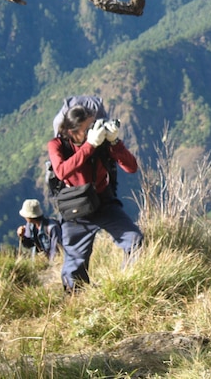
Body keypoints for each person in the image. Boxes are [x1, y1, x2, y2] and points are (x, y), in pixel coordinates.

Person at [48, 104, 143, 293]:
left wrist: (115, 142)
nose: (92, 131)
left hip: (103, 202)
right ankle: (76, 299)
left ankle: (127, 284)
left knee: (135, 240)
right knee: (75, 261)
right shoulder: (57, 145)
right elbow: (61, 171)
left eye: (93, 125)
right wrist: (89, 146)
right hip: (76, 207)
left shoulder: (101, 142)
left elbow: (131, 167)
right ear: (71, 132)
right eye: (86, 128)